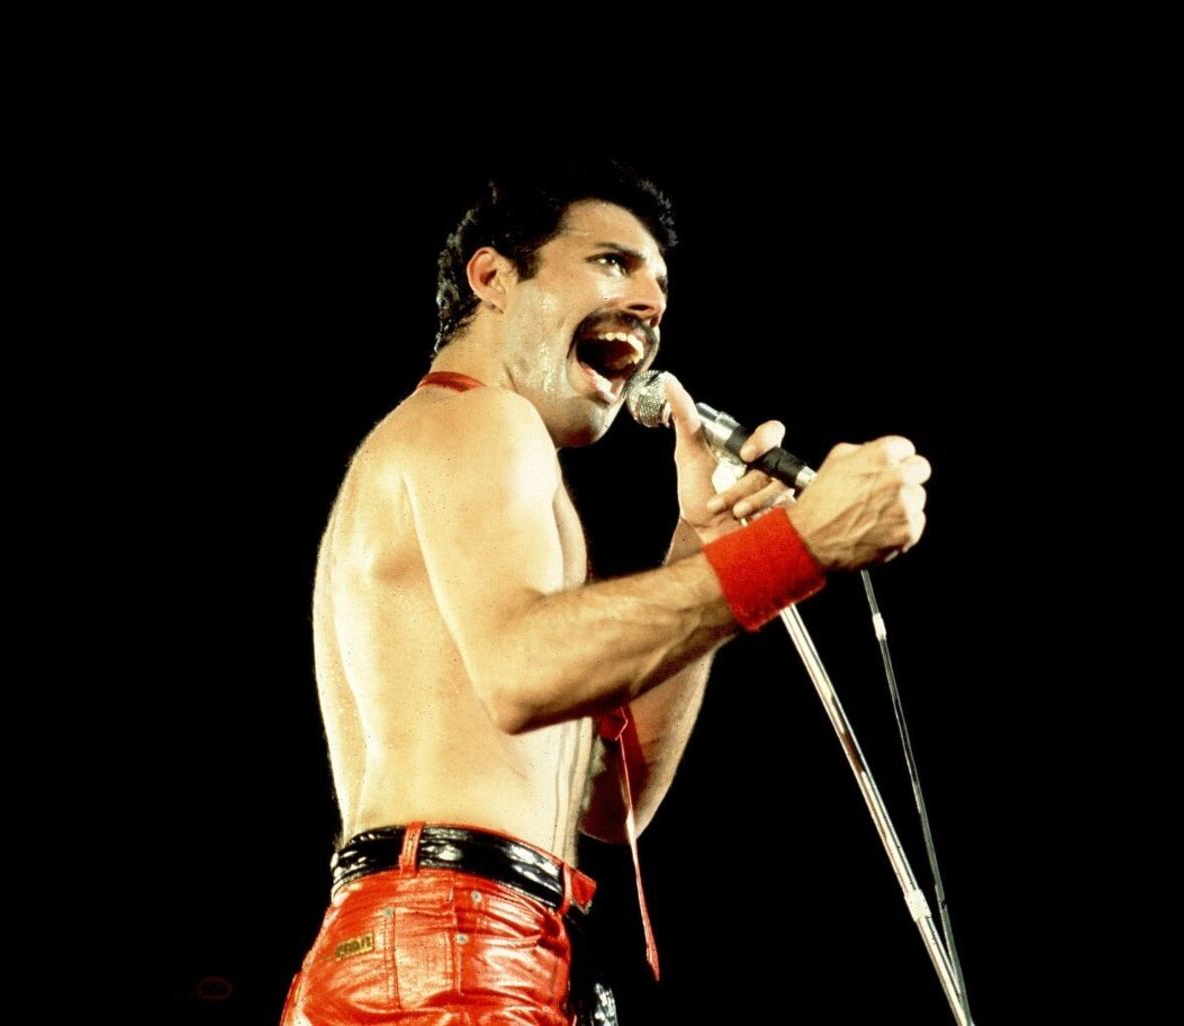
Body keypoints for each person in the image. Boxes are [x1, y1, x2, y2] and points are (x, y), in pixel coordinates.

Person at [279, 159, 931, 1026]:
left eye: (660, 289)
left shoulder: (469, 458)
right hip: (451, 944)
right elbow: (525, 671)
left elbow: (612, 805)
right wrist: (798, 547)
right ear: (492, 278)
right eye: (612, 262)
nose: (651, 304)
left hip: (444, 939)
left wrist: (706, 541)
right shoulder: (480, 419)